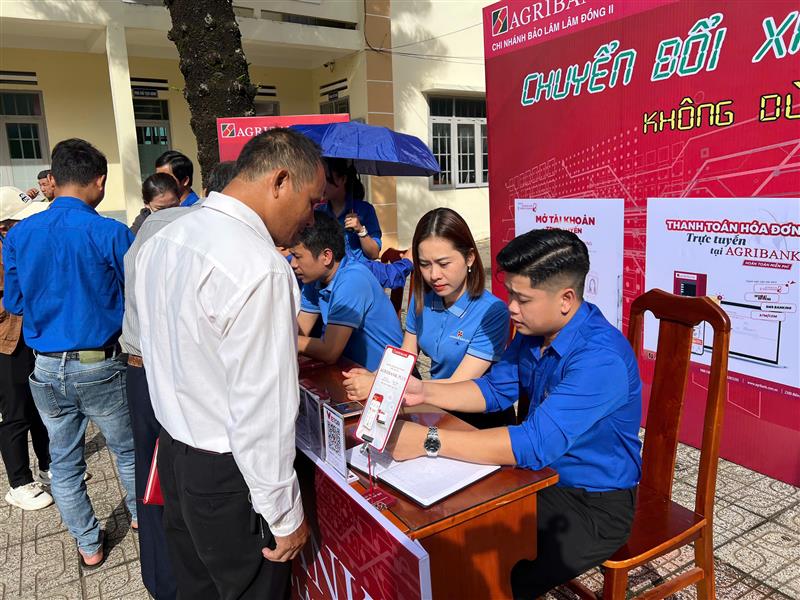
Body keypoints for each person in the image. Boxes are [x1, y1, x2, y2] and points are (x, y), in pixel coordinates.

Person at [386, 229, 642, 598]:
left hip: (591, 503)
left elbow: (532, 443)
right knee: (445, 533)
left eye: (522, 298)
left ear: (566, 299)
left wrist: (428, 440)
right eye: (510, 295)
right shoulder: (534, 331)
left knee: (491, 573)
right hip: (536, 478)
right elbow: (494, 390)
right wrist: (424, 390)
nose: (511, 308)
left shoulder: (600, 359)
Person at [136, 129, 323, 598]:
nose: (310, 218)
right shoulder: (259, 266)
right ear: (280, 181)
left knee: (196, 588)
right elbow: (261, 410)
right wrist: (284, 516)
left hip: (177, 455)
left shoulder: (165, 236)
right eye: (312, 201)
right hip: (228, 475)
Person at [2, 139, 137, 569]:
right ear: (99, 181)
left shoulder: (20, 234)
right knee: (128, 450)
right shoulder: (111, 232)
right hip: (100, 363)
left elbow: (16, 302)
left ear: (54, 181)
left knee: (63, 461)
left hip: (44, 367)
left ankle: (88, 544)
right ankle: (142, 519)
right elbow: (136, 299)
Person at [121, 158, 238, 599]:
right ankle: (185, 577)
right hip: (168, 371)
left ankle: (161, 578)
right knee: (175, 475)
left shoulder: (140, 233)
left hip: (137, 367)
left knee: (151, 477)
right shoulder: (194, 228)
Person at [343, 208, 513, 428]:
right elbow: (406, 353)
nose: (434, 275)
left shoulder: (492, 312)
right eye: (424, 264)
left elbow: (458, 384)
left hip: (478, 421)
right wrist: (375, 375)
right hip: (434, 408)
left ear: (469, 258)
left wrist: (380, 384)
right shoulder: (424, 298)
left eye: (444, 264)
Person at [291, 211, 403, 371]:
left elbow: (329, 351)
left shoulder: (352, 280)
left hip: (386, 381)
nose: (293, 264)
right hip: (352, 372)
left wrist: (283, 340)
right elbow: (301, 328)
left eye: (297, 256)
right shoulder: (315, 279)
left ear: (326, 256)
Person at [0, 192, 53, 512]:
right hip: (6, 343)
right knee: (15, 412)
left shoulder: (21, 243)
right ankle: (19, 482)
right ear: (5, 226)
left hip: (30, 338)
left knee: (39, 408)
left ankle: (48, 466)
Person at [315, 158, 381, 260]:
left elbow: (374, 254)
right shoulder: (318, 212)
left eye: (327, 179)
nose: (321, 185)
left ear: (342, 179)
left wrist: (360, 231)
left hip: (358, 273)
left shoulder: (364, 210)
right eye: (319, 179)